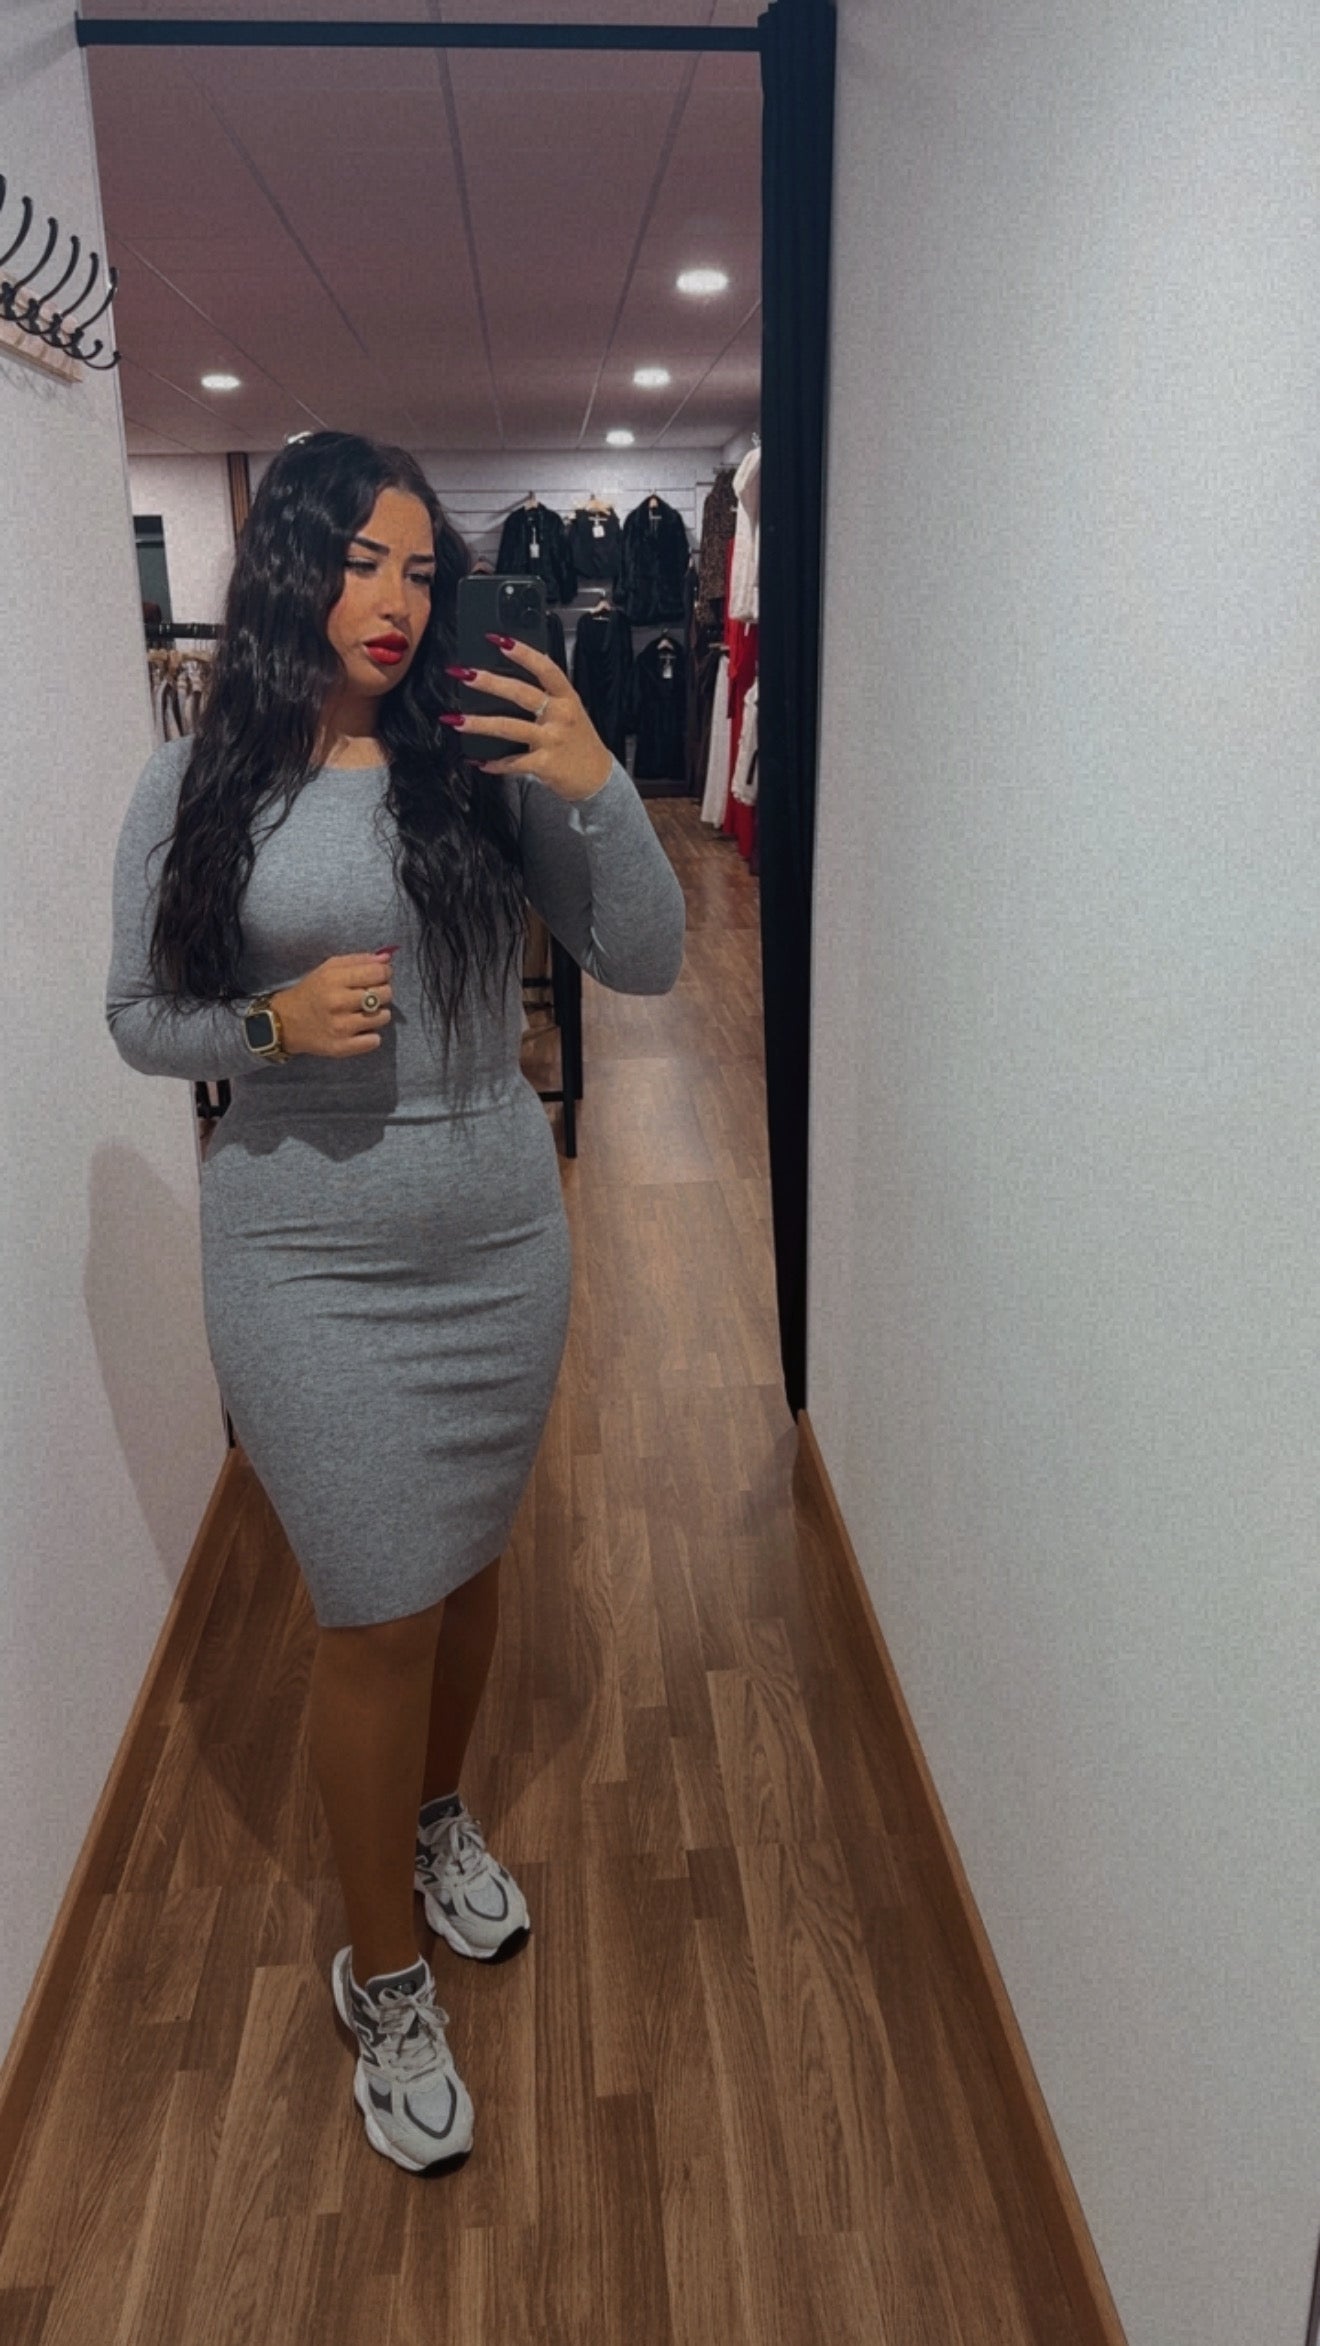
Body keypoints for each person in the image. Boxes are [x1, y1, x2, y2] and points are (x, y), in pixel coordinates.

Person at [105, 430, 686, 2178]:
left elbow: (646, 955)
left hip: (497, 1238)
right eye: (363, 560)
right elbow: (139, 1016)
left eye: (422, 569)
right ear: (288, 564)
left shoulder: (475, 760)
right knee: (372, 1614)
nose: (397, 600)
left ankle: (435, 1821)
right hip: (303, 1258)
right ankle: (384, 1982)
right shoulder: (194, 784)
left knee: (468, 1568)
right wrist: (267, 1026)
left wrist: (595, 777)